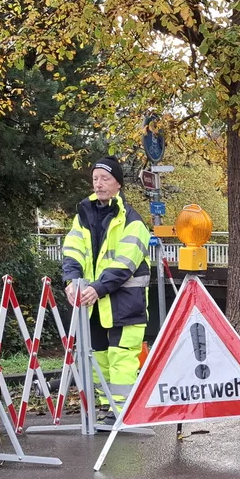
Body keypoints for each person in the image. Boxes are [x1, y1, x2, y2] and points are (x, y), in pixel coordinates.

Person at [61, 155, 151, 410]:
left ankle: (122, 412)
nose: (99, 184)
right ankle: (105, 408)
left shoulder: (133, 221)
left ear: (118, 184)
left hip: (125, 306)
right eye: (95, 179)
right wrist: (71, 281)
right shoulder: (83, 216)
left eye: (105, 178)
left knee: (121, 357)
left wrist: (96, 289)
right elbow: (72, 253)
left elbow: (124, 265)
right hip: (94, 306)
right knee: (98, 357)